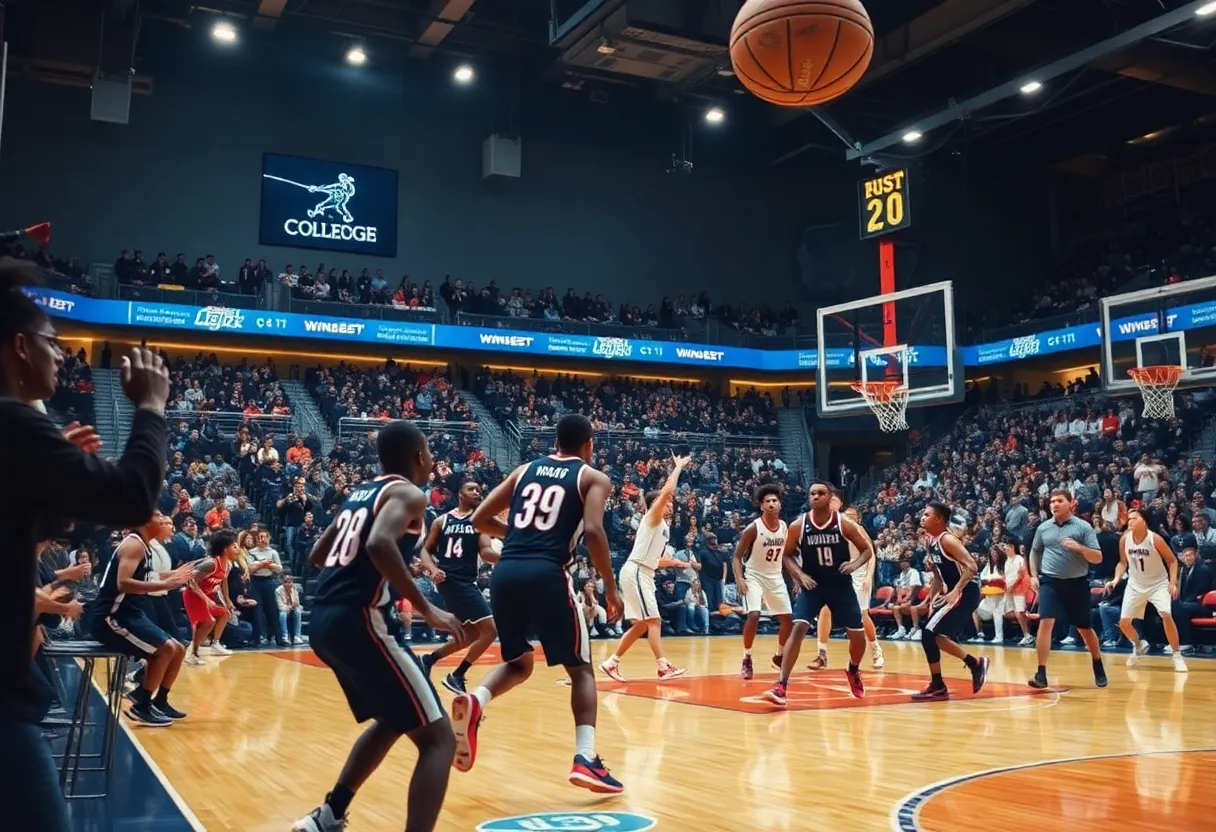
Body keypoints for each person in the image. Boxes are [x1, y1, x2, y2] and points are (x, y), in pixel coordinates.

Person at [0, 259, 170, 831]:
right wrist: (149, 407)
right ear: (20, 347)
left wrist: (56, 478)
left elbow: (28, 524)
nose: (63, 355)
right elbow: (131, 498)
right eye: (54, 342)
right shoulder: (17, 423)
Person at [293, 421, 465, 832]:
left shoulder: (359, 493)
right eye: (428, 452)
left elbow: (319, 553)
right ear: (419, 457)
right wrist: (428, 609)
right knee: (439, 739)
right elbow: (377, 544)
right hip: (361, 619)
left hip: (325, 619)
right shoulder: (408, 493)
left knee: (393, 717)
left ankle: (330, 814)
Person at [456, 414, 624, 793]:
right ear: (588, 445)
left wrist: (514, 533)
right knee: (581, 668)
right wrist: (610, 586)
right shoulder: (593, 477)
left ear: (555, 442)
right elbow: (594, 530)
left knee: (519, 662)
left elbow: (480, 518)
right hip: (547, 572)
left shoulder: (524, 470)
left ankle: (477, 699)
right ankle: (586, 758)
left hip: (506, 573)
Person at [763, 481, 872, 707]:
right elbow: (786, 556)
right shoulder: (799, 525)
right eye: (812, 493)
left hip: (840, 584)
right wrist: (800, 576)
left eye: (820, 493)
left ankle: (853, 669)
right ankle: (781, 684)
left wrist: (854, 565)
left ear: (830, 497)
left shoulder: (844, 523)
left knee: (858, 637)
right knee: (799, 627)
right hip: (812, 585)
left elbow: (867, 550)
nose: (815, 496)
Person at [85, 512, 195, 725]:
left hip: (131, 612)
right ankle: (142, 706)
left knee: (178, 648)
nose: (163, 519)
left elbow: (147, 577)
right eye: (158, 516)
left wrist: (173, 575)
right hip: (111, 616)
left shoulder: (145, 546)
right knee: (166, 649)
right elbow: (123, 583)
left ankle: (159, 701)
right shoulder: (134, 545)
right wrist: (166, 585)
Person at [599, 453, 692, 683]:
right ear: (656, 504)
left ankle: (611, 663)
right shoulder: (652, 517)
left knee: (642, 624)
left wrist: (675, 563)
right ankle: (662, 666)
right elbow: (667, 491)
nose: (670, 503)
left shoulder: (662, 528)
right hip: (637, 572)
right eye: (666, 502)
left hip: (643, 572)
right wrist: (678, 467)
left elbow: (655, 560)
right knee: (654, 621)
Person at [418, 479, 500, 694]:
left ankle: (428, 660)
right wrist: (432, 569)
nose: (477, 492)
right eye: (471, 489)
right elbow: (425, 551)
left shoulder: (479, 521)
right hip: (452, 581)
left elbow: (486, 552)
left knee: (471, 634)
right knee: (491, 631)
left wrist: (507, 556)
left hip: (464, 582)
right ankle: (458, 675)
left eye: (479, 489)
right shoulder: (442, 521)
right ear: (460, 494)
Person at [1027, 489, 1107, 690]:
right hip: (1050, 582)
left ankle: (1097, 662)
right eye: (1052, 501)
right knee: (1046, 622)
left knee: (1084, 628)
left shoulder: (1083, 527)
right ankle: (1041, 672)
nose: (1054, 504)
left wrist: (1079, 548)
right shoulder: (1043, 528)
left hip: (1077, 583)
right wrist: (1033, 575)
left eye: (1059, 501)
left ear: (1071, 503)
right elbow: (1034, 551)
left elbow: (1097, 557)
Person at [910, 502, 989, 701]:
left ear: (938, 519)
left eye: (927, 514)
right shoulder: (931, 542)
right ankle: (974, 664)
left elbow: (972, 566)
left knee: (928, 634)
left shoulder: (948, 540)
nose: (922, 517)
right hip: (953, 591)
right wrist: (929, 600)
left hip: (966, 591)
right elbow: (937, 576)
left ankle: (938, 685)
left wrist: (956, 590)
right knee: (935, 636)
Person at [1106, 509, 1186, 672]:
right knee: (1124, 622)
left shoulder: (1154, 539)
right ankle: (1138, 644)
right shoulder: (1124, 539)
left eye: (1134, 518)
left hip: (1158, 583)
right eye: (1129, 519)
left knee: (1166, 614)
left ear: (1144, 521)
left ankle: (1177, 655)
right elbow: (1122, 563)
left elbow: (1172, 561)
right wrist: (1115, 579)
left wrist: (1173, 582)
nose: (1130, 521)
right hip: (1135, 584)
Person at [810, 497, 885, 670]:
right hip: (839, 575)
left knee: (861, 615)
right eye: (847, 515)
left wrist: (869, 577)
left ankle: (876, 650)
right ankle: (821, 655)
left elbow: (871, 554)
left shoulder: (858, 529)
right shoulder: (833, 529)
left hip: (859, 575)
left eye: (853, 515)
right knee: (825, 609)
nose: (849, 517)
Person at [731, 483, 792, 679]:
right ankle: (746, 657)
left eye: (775, 500)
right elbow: (737, 556)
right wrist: (739, 578)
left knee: (787, 620)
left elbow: (785, 556)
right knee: (754, 615)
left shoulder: (784, 527)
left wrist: (796, 577)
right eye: (768, 501)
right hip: (754, 575)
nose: (772, 504)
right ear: (762, 505)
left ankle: (779, 655)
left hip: (775, 576)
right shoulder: (753, 528)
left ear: (780, 504)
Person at [182, 529, 236, 665]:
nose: (237, 548)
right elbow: (190, 582)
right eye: (234, 546)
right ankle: (192, 654)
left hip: (207, 596)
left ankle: (215, 644)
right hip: (193, 595)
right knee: (208, 622)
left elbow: (223, 582)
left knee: (225, 613)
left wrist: (228, 600)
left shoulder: (228, 564)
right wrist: (207, 600)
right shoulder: (211, 564)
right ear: (225, 549)